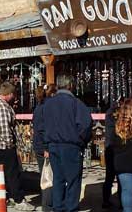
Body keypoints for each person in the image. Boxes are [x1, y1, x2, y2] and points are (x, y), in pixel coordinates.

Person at [40, 75, 92, 212]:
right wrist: (81, 140)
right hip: (70, 145)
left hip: (53, 145)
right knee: (73, 180)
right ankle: (71, 208)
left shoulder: (48, 104)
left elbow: (42, 126)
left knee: (58, 179)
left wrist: (46, 145)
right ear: (70, 86)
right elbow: (85, 126)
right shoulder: (76, 103)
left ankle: (58, 207)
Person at [0, 82, 34, 211]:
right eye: (13, 94)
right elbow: (4, 127)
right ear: (10, 94)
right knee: (13, 173)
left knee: (3, 173)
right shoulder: (2, 106)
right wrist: (10, 143)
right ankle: (18, 199)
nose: (14, 97)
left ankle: (5, 196)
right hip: (4, 145)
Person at [32, 83, 57, 212]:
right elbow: (44, 129)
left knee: (45, 175)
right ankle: (48, 206)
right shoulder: (47, 107)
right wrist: (47, 147)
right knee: (48, 177)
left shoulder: (39, 107)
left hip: (39, 145)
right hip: (45, 147)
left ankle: (48, 204)